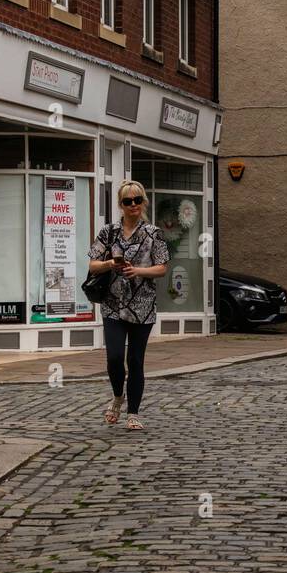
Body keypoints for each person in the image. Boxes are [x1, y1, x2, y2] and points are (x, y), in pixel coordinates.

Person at [88, 180, 169, 431]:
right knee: (114, 357)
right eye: (127, 201)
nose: (133, 205)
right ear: (121, 205)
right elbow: (92, 264)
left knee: (135, 361)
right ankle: (117, 397)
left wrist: (139, 271)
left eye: (137, 200)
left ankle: (133, 412)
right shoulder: (108, 232)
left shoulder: (153, 233)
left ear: (143, 202)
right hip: (112, 303)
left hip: (142, 306)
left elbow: (163, 267)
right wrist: (111, 264)